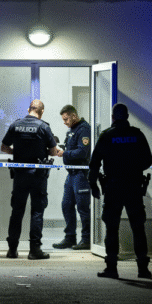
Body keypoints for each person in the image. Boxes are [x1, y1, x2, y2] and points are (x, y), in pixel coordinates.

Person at [88, 103, 152, 279]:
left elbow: (94, 163)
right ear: (127, 116)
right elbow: (148, 160)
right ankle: (143, 269)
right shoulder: (137, 135)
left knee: (111, 227)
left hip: (113, 187)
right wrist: (132, 167)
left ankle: (111, 267)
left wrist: (93, 184)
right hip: (133, 186)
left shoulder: (107, 136)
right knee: (138, 227)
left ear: (113, 117)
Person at [1, 99, 60, 259]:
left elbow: (4, 147)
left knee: (17, 211)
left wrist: (18, 153)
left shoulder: (15, 125)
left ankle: (12, 249)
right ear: (41, 112)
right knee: (37, 212)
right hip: (38, 176)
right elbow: (54, 152)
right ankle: (34, 250)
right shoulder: (43, 126)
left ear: (29, 109)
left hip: (20, 175)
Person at [52, 105, 92, 250]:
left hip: (81, 174)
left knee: (83, 208)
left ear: (74, 115)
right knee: (66, 205)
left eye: (66, 119)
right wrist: (61, 149)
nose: (65, 122)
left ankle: (87, 239)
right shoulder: (72, 130)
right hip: (71, 174)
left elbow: (82, 152)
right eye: (63, 120)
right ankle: (70, 238)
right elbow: (71, 148)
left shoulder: (84, 129)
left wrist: (65, 154)